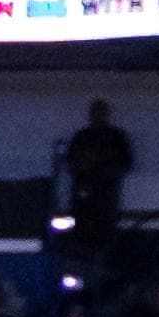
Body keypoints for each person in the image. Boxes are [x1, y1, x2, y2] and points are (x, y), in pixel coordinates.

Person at [65, 98, 135, 244]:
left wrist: (106, 170)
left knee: (105, 228)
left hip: (106, 192)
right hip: (84, 192)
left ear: (107, 114)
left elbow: (126, 162)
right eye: (94, 112)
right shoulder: (82, 136)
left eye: (101, 112)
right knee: (82, 227)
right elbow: (70, 161)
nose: (97, 115)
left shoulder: (116, 137)